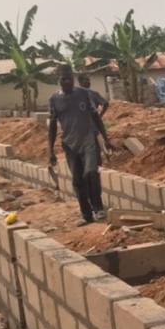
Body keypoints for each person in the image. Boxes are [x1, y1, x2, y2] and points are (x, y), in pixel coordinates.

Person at [48, 65, 114, 225]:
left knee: (90, 172)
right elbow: (52, 126)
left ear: (73, 78)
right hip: (70, 145)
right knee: (78, 181)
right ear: (59, 80)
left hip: (88, 140)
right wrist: (50, 150)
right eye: (64, 78)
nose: (67, 81)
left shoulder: (84, 94)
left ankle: (98, 208)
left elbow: (96, 116)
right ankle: (86, 215)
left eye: (70, 78)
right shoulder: (54, 100)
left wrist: (106, 138)